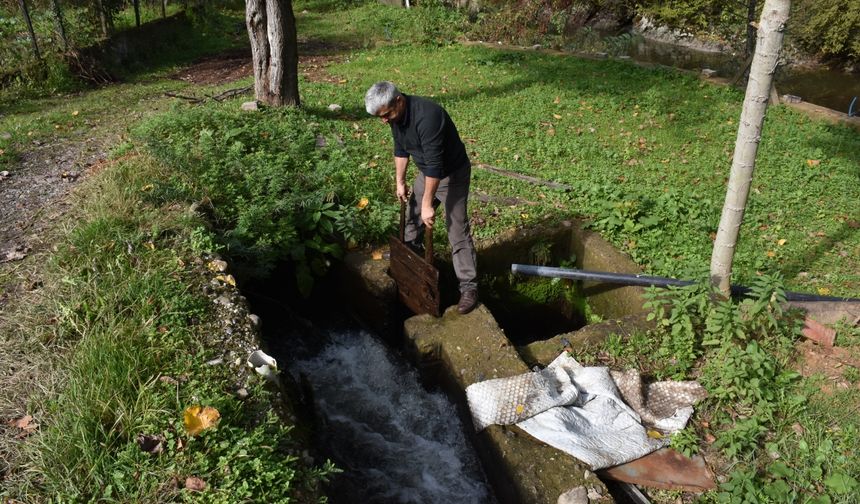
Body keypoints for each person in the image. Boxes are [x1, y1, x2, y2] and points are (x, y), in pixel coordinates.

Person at [364, 81, 479, 315]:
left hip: (451, 173)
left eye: (386, 115)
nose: (384, 120)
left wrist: (428, 204)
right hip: (427, 172)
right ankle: (411, 257)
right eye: (380, 117)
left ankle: (469, 287)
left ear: (399, 101)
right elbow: (400, 149)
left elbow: (436, 166)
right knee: (412, 215)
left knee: (456, 229)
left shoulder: (428, 116)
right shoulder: (395, 116)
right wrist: (400, 181)